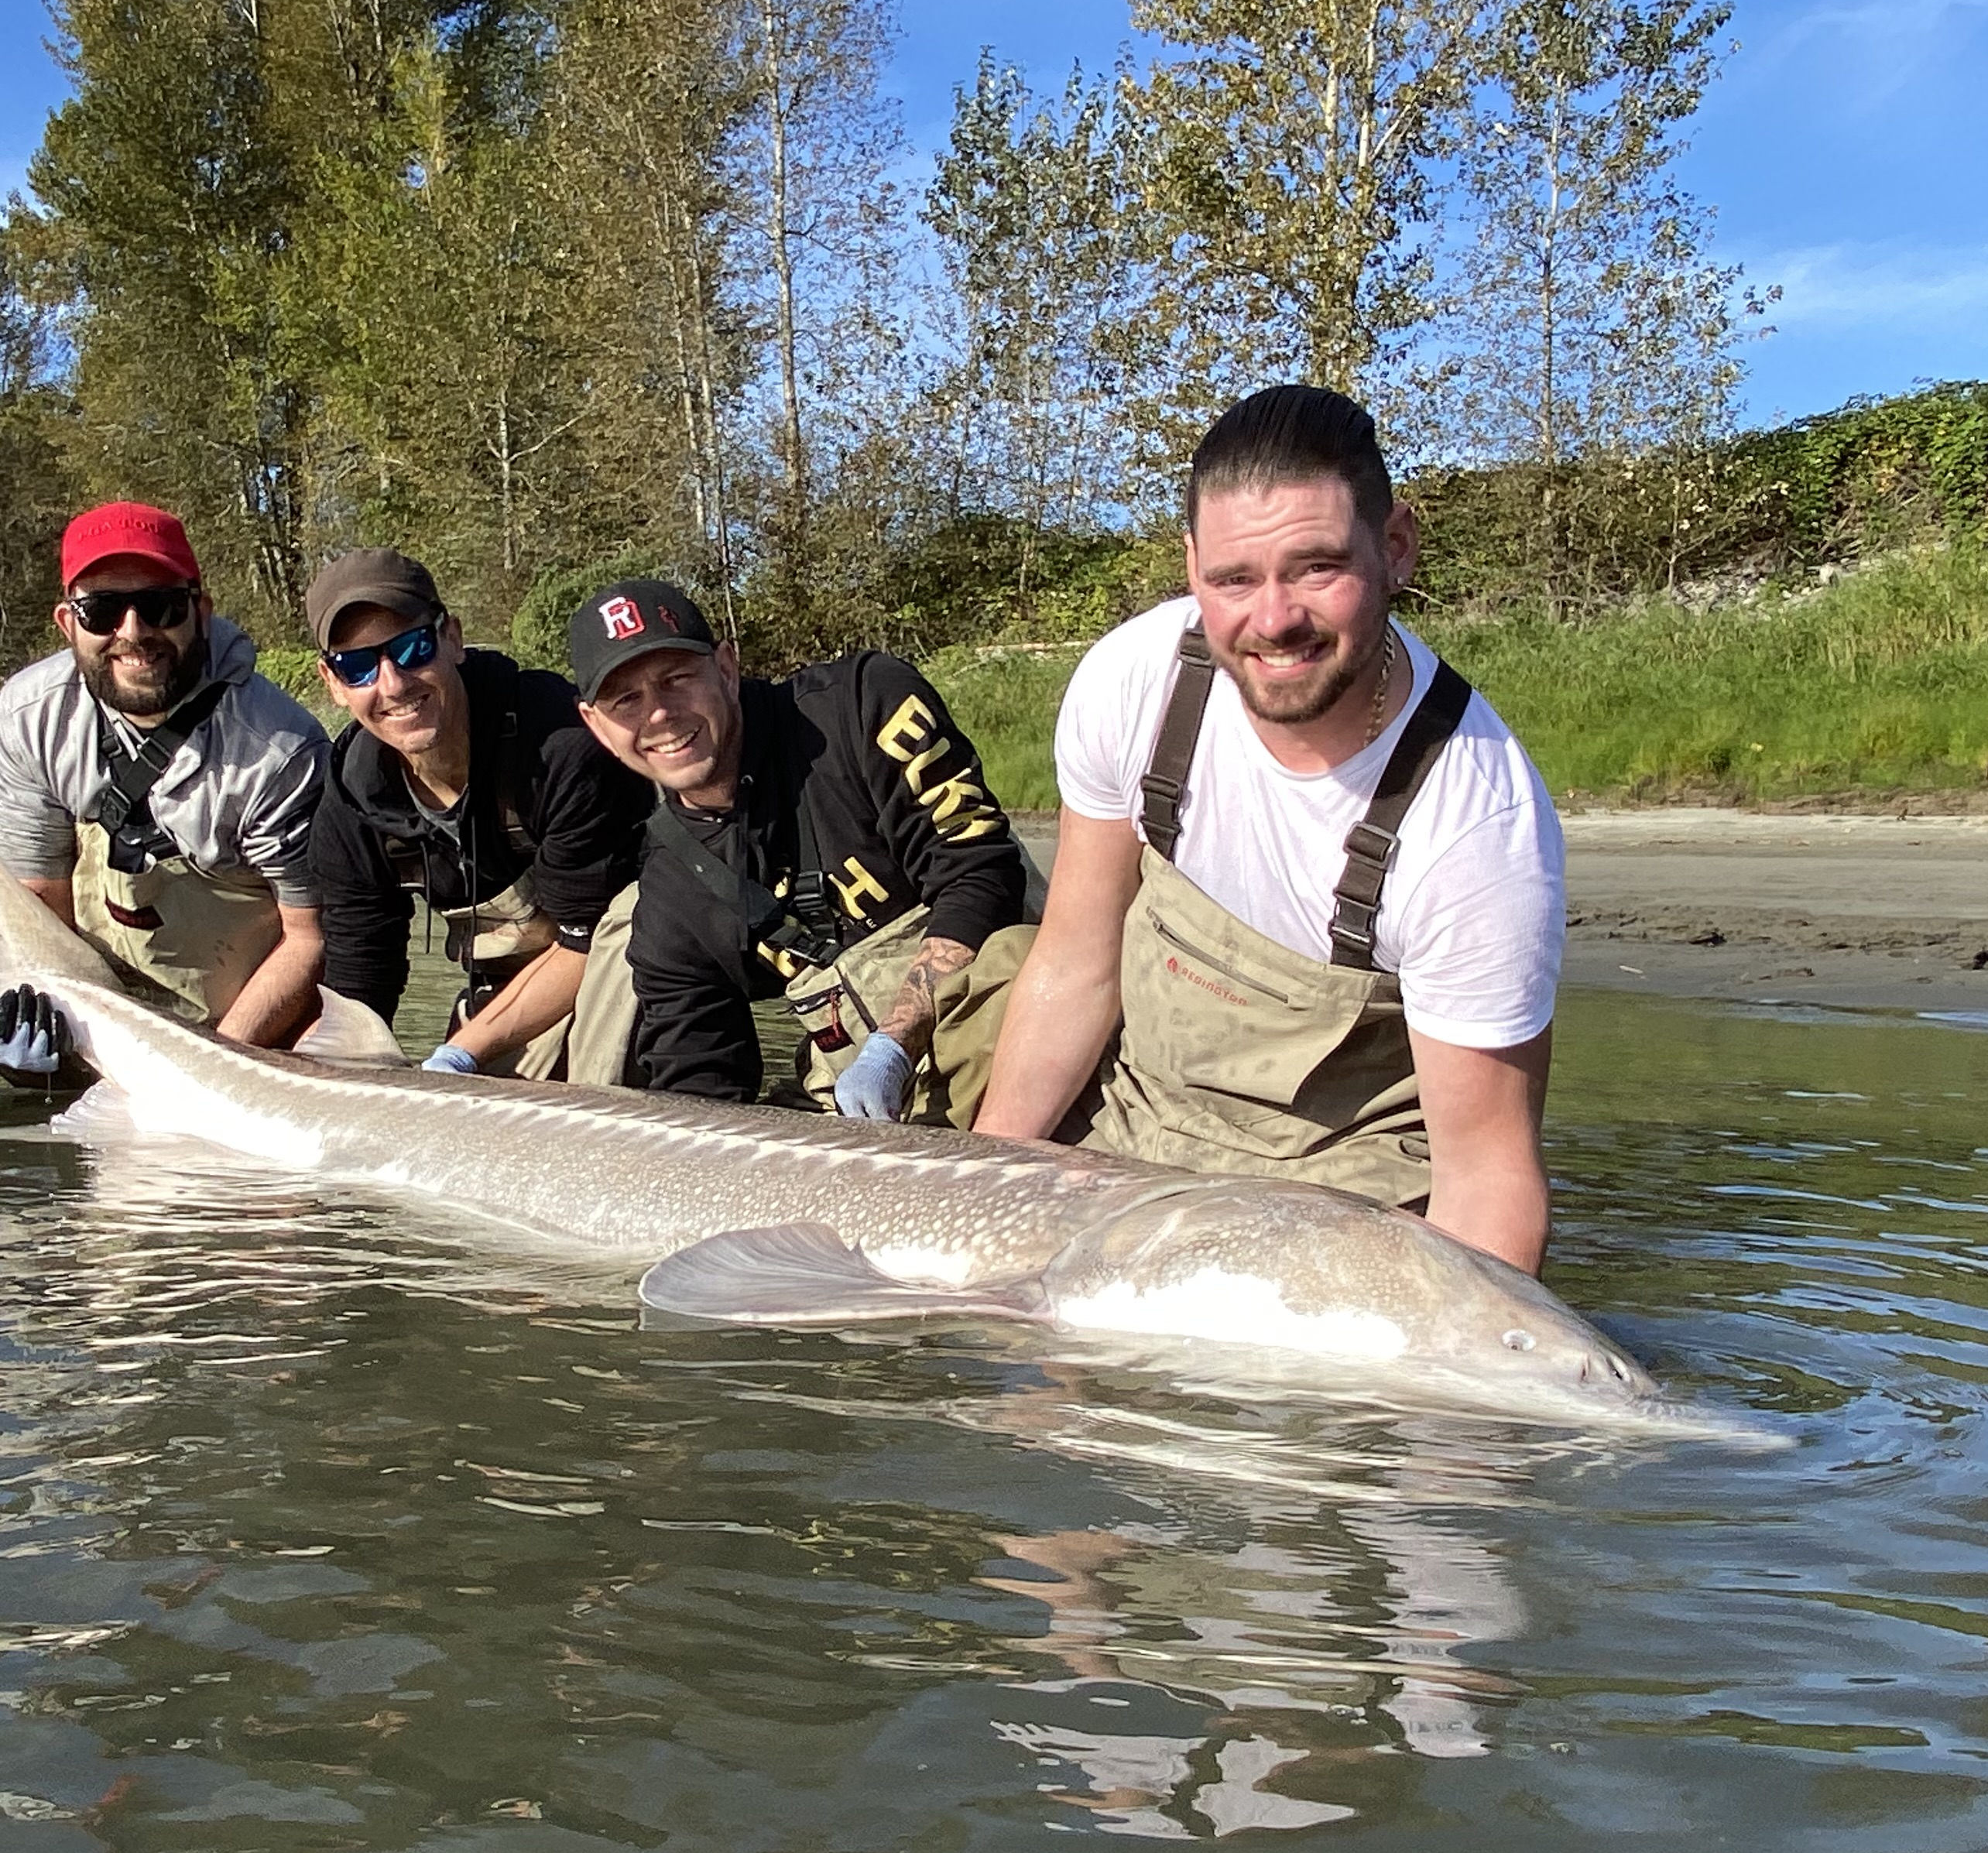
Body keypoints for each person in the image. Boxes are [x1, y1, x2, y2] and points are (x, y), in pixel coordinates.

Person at [974, 385, 1566, 1274]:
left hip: (1338, 1202)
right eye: (1235, 580)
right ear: (1192, 569)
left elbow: (1487, 1182)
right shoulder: (1134, 682)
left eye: (1317, 567)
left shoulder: (1478, 826)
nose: (1275, 619)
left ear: (1396, 547)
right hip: (1132, 1140)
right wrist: (991, 1202)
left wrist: (1449, 1412)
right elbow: (1075, 963)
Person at [0, 500, 330, 1108]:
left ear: (200, 612)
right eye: (101, 611)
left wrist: (207, 1073)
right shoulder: (31, 716)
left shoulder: (279, 748)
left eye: (159, 606)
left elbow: (309, 940)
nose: (132, 632)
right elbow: (40, 913)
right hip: (89, 1006)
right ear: (68, 623)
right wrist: (32, 1020)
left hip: (231, 1036)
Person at [568, 576, 1033, 1122]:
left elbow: (982, 876)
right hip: (849, 1100)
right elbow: (700, 1079)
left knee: (1015, 959)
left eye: (677, 679)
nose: (659, 715)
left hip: (1010, 1031)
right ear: (596, 726)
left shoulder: (864, 706)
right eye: (626, 700)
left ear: (725, 668)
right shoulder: (669, 894)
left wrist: (892, 1049)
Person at [300, 547, 650, 1078]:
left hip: (610, 973)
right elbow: (360, 977)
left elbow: (588, 939)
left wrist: (460, 1054)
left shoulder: (560, 747)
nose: (393, 684)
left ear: (453, 638)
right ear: (332, 681)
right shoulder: (352, 796)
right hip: (501, 995)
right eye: (357, 665)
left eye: (413, 648)